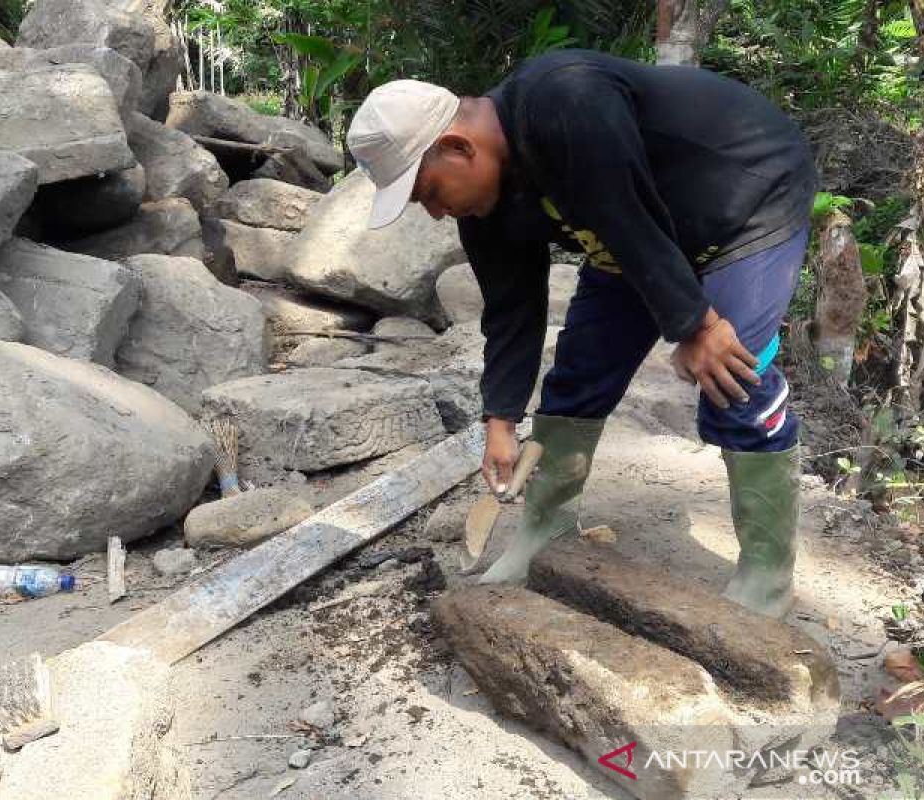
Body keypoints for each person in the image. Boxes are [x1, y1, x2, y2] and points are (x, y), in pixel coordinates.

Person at [345, 49, 816, 618]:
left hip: (747, 200)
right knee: (578, 376)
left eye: (430, 194)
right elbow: (511, 311)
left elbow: (626, 212)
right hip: (637, 232)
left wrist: (698, 325)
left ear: (457, 148)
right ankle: (543, 534)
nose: (438, 214)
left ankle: (767, 576)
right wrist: (500, 420)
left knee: (734, 380)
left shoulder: (565, 99)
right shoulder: (486, 210)